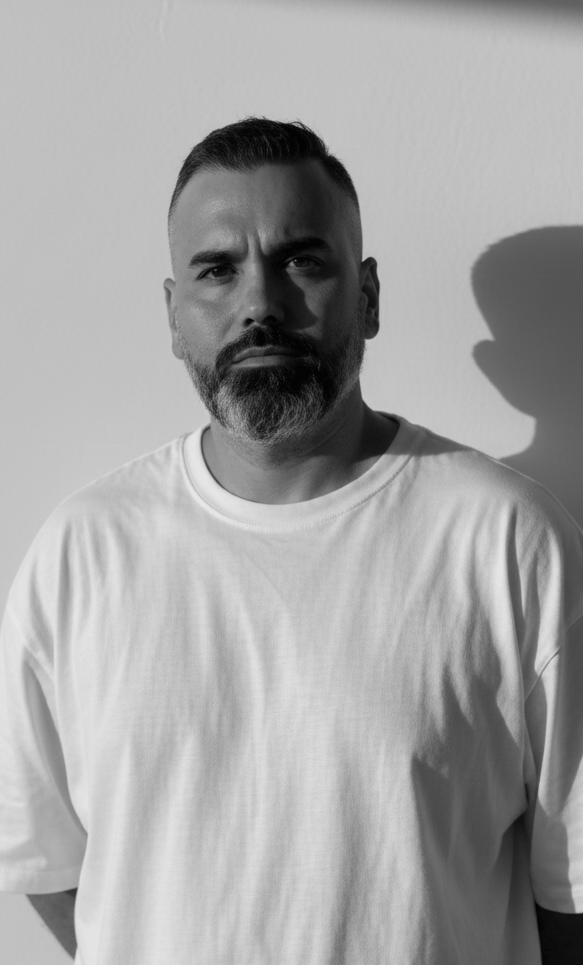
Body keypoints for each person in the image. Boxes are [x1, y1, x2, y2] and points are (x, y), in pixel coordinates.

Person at [1, 118, 582, 965]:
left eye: (301, 261)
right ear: (173, 316)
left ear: (369, 296)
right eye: (217, 270)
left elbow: (572, 894)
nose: (259, 306)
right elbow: (49, 864)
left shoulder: (509, 543)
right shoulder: (81, 554)